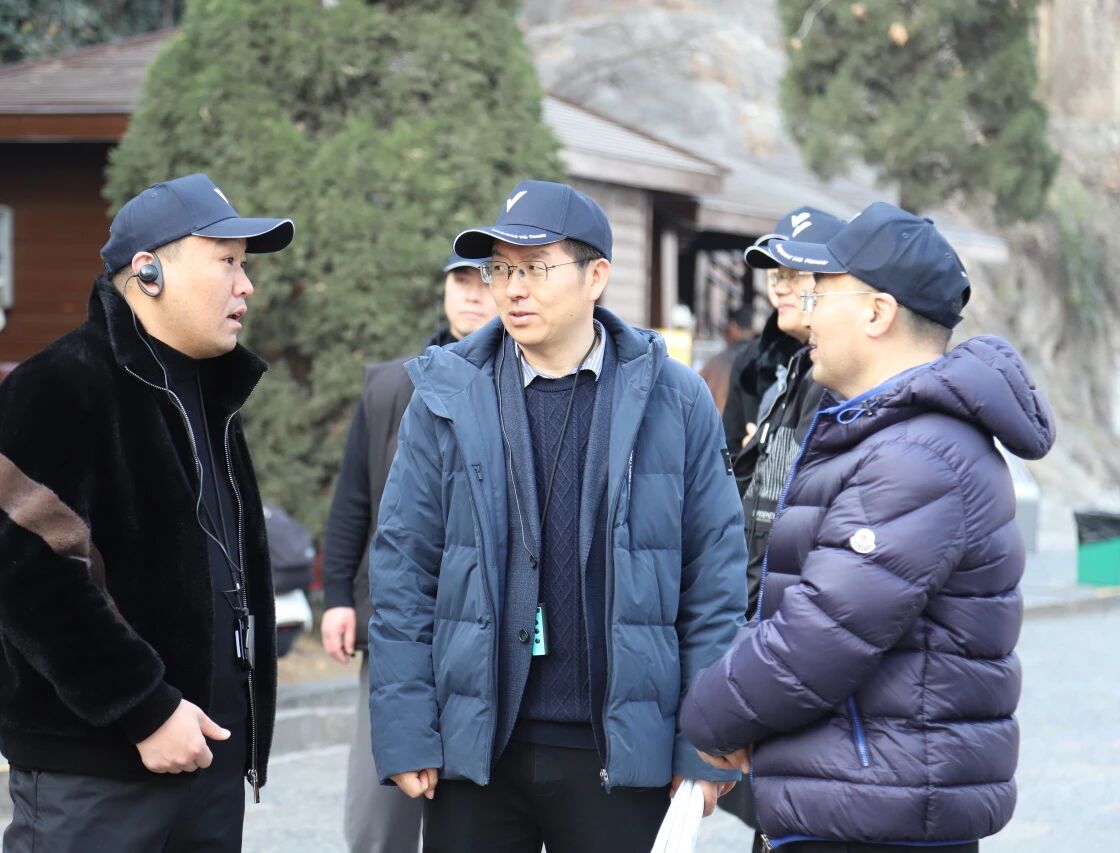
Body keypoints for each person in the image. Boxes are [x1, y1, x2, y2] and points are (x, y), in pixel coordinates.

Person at [367, 179, 747, 853]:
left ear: (596, 274)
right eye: (501, 268)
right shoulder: (447, 393)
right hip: (476, 750)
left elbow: (712, 580)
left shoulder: (675, 398)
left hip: (620, 750)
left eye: (535, 268)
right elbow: (403, 568)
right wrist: (405, 729)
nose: (511, 288)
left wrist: (703, 742)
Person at [681, 202, 1056, 852]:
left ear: (878, 313)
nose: (806, 308)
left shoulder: (918, 454)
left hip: (879, 818)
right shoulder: (879, 434)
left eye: (821, 291)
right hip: (857, 801)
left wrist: (709, 717)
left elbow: (816, 637)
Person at [0, 173, 293, 852]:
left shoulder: (212, 398)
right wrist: (146, 709)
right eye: (228, 262)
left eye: (246, 266)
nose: (247, 286)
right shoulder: (57, 384)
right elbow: (28, 581)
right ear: (148, 271)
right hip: (93, 770)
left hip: (210, 760)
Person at [321, 250, 496, 853]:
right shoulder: (392, 385)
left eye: (485, 280)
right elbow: (353, 501)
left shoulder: (519, 388)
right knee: (380, 816)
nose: (472, 294)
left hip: (487, 627)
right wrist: (338, 596)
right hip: (400, 624)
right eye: (460, 280)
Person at [715, 207, 844, 853]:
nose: (783, 284)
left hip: (806, 669)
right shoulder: (774, 371)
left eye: (800, 270)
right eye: (775, 272)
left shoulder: (847, 389)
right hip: (766, 644)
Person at [722, 207, 844, 452]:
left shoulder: (849, 363)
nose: (779, 289)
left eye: (796, 274)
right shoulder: (753, 362)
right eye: (778, 276)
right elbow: (725, 459)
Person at [698, 302, 756, 414]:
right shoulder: (762, 359)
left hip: (720, 425)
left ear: (733, 327)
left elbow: (696, 393)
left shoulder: (718, 362)